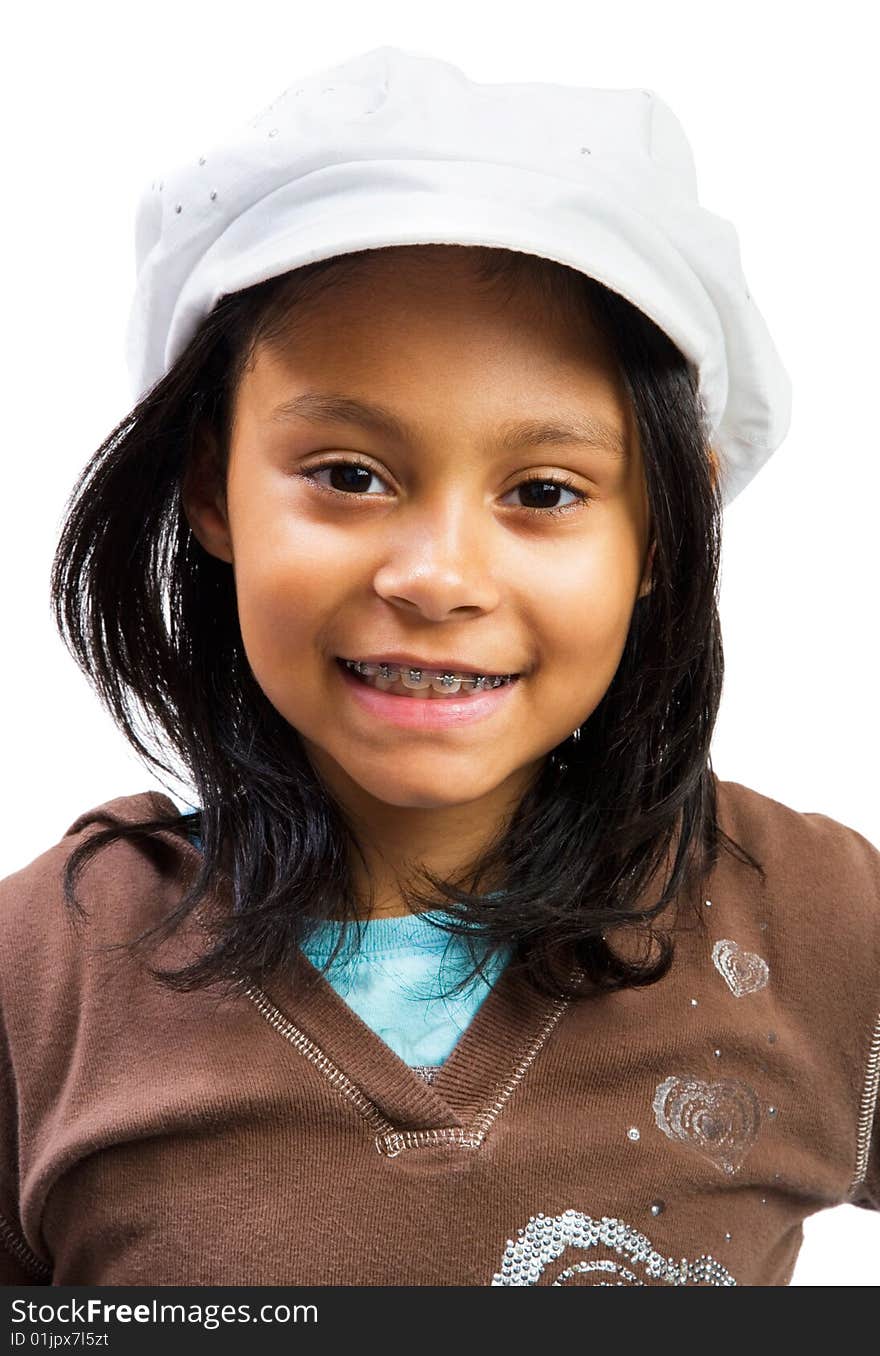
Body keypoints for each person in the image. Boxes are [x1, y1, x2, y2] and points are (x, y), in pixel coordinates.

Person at [1, 45, 877, 1288]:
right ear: (212, 485)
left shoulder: (816, 923)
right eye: (349, 475)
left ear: (663, 530)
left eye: (543, 491)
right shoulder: (42, 980)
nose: (437, 575)